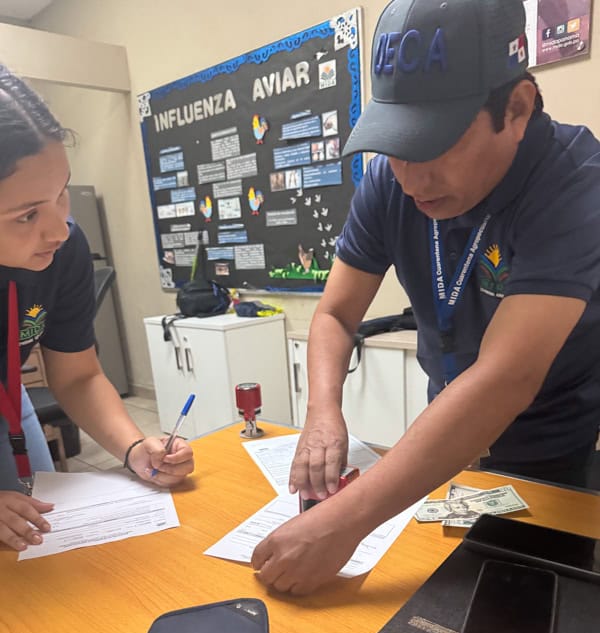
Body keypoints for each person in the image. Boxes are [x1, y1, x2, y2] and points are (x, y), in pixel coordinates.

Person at [251, 0, 600, 595]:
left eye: (432, 145)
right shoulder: (390, 182)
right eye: (395, 144)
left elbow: (506, 378)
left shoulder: (576, 182)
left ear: (516, 109)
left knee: (529, 607)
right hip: (445, 440)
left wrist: (349, 520)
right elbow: (335, 314)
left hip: (552, 451)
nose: (410, 178)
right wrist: (321, 413)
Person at [0, 65, 194, 552]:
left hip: (9, 397)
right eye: (27, 215)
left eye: (61, 191)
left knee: (37, 539)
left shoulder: (62, 250)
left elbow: (77, 375)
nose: (61, 230)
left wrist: (133, 448)